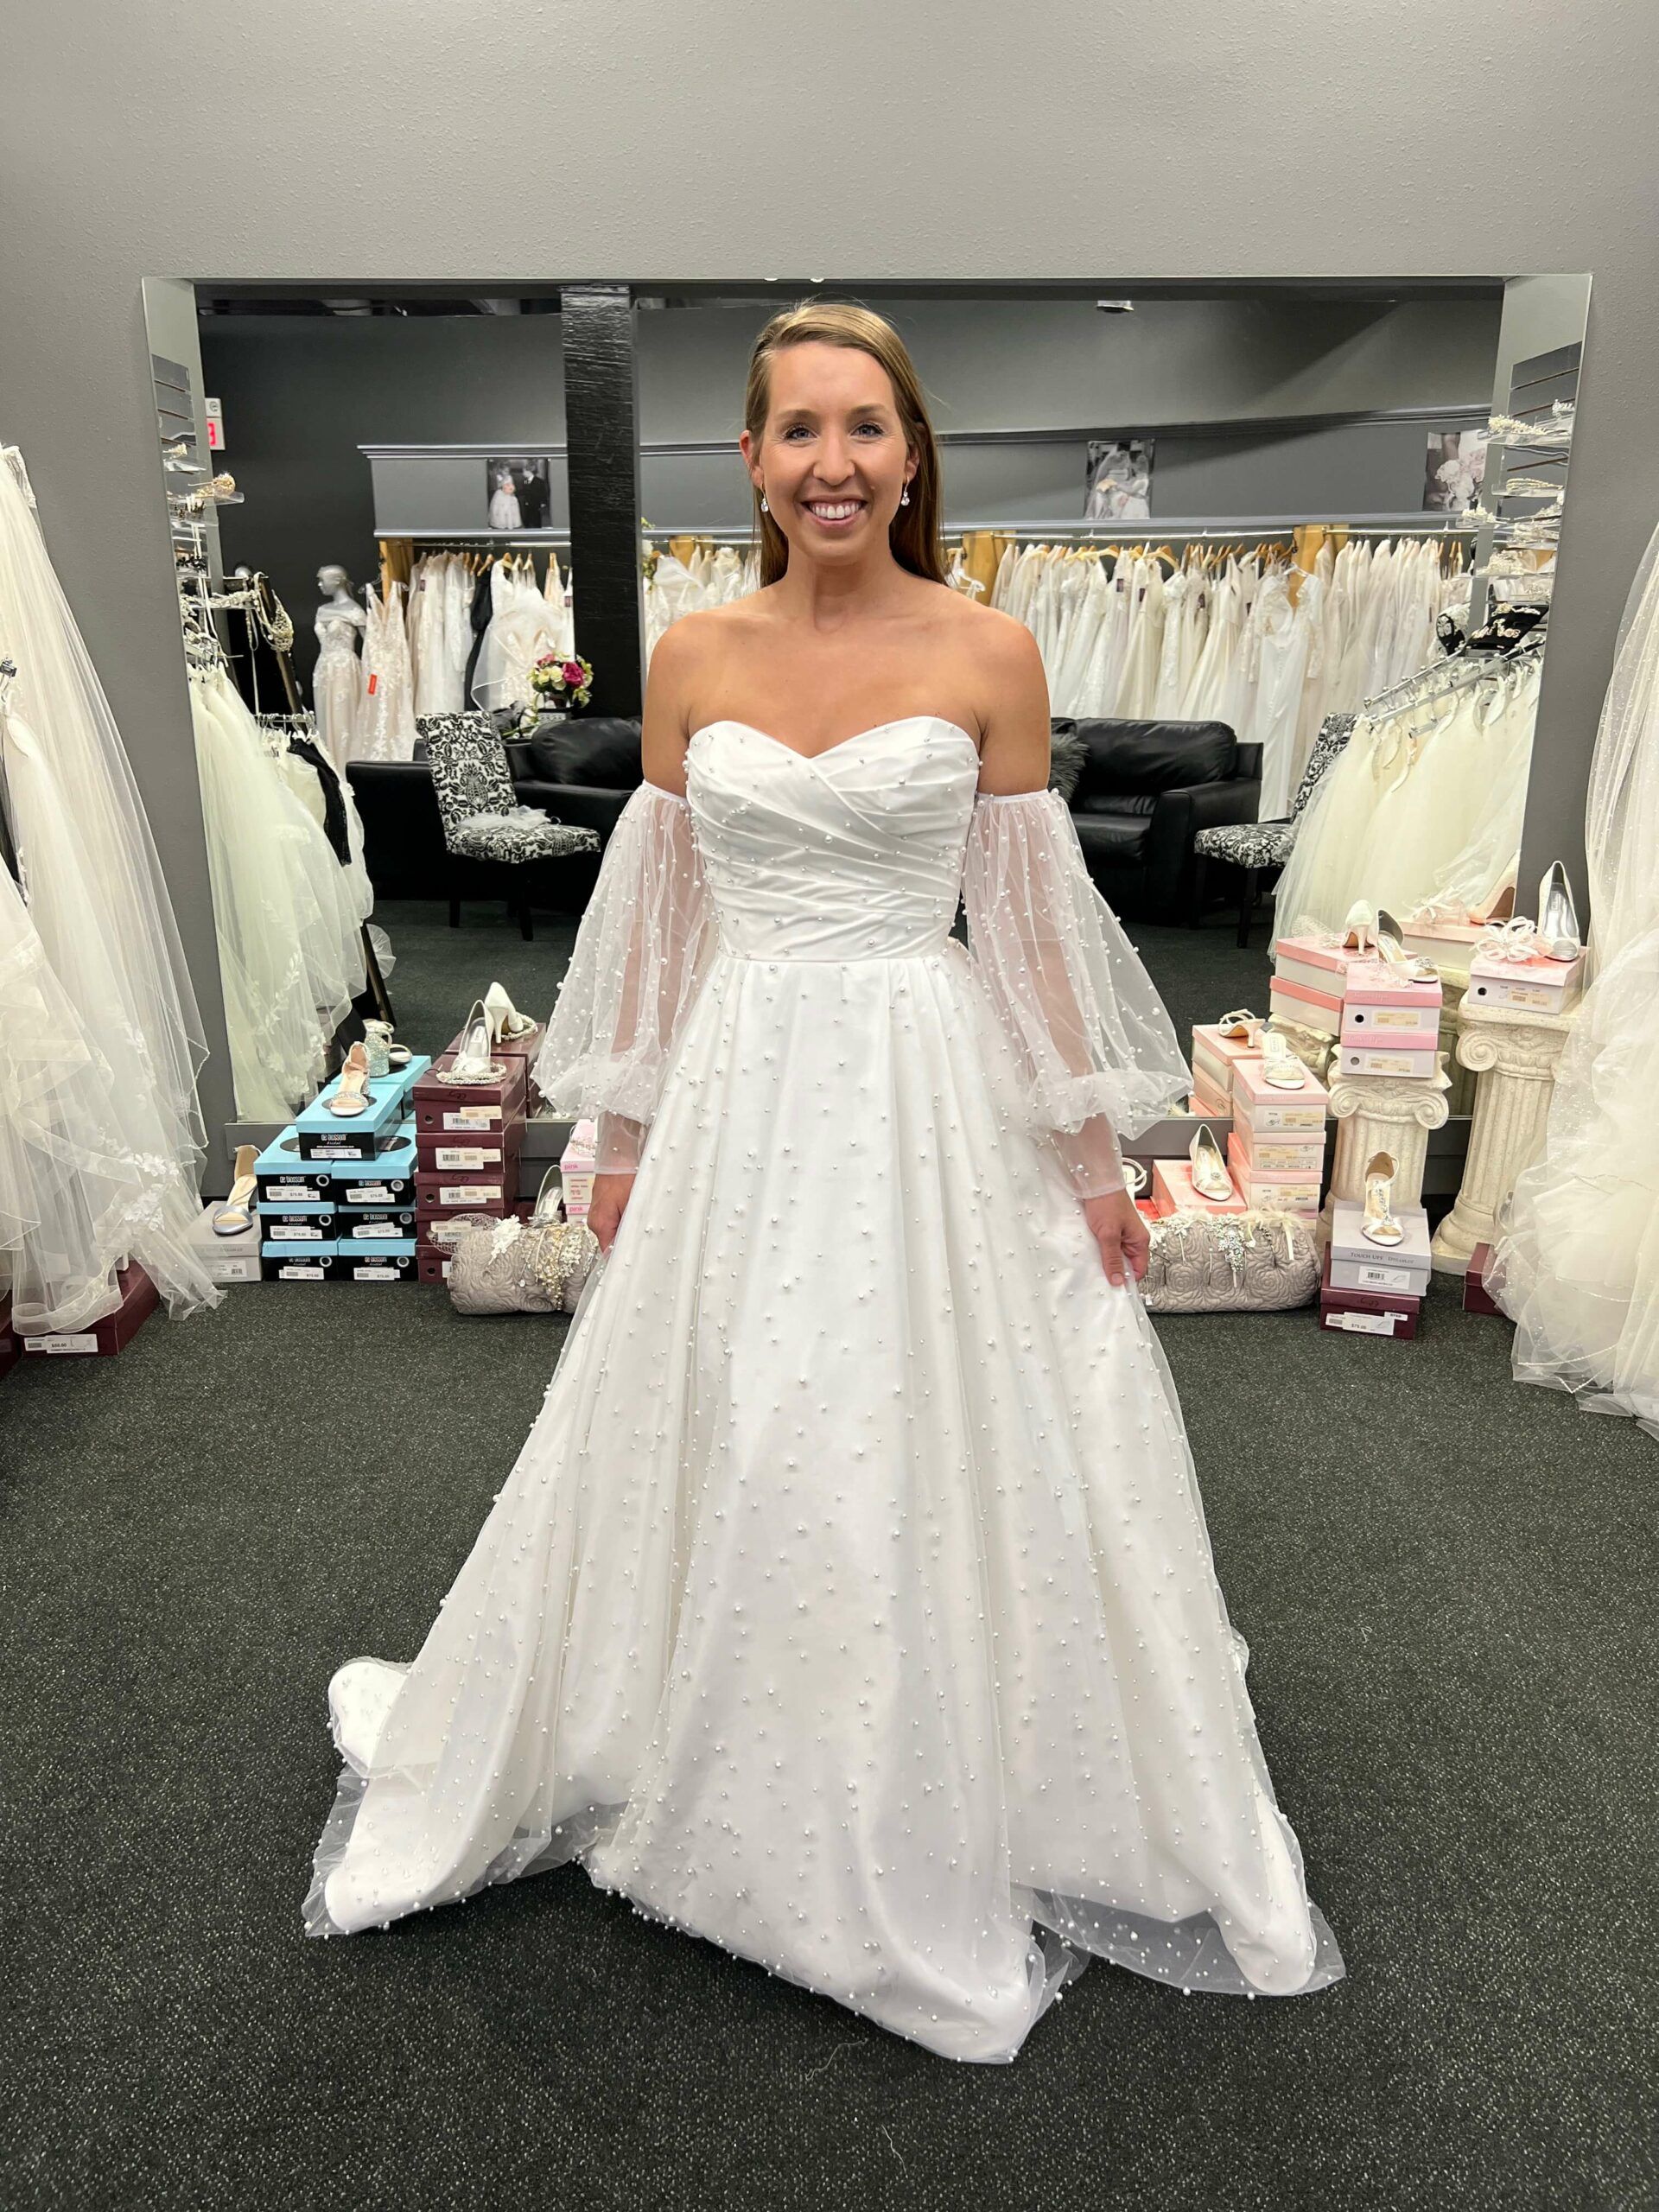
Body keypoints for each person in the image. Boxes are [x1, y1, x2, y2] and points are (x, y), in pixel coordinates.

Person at [304, 300, 1344, 2063]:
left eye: (867, 428)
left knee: (908, 1402)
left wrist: (1095, 1159)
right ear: (756, 460)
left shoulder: (989, 651)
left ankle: (917, 1752)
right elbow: (657, 928)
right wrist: (615, 1139)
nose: (836, 462)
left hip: (926, 1085)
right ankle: (722, 1715)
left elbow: (1022, 931)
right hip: (741, 1084)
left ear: (912, 452)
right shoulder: (696, 659)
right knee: (744, 1396)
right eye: (801, 430)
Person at [517, 460, 550, 530]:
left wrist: (544, 502)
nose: (523, 474)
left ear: (529, 472)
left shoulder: (539, 481)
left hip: (535, 504)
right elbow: (524, 491)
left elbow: (543, 492)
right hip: (526, 504)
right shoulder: (525, 481)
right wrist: (515, 493)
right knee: (526, 519)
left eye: (524, 472)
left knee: (536, 520)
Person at [488, 466, 521, 531]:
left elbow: (512, 486)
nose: (506, 473)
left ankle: (509, 524)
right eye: (505, 471)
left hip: (509, 494)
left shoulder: (510, 477)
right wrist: (504, 480)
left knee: (510, 509)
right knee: (500, 510)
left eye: (508, 471)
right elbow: (498, 486)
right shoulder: (498, 477)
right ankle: (500, 524)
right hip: (500, 494)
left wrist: (511, 490)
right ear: (501, 470)